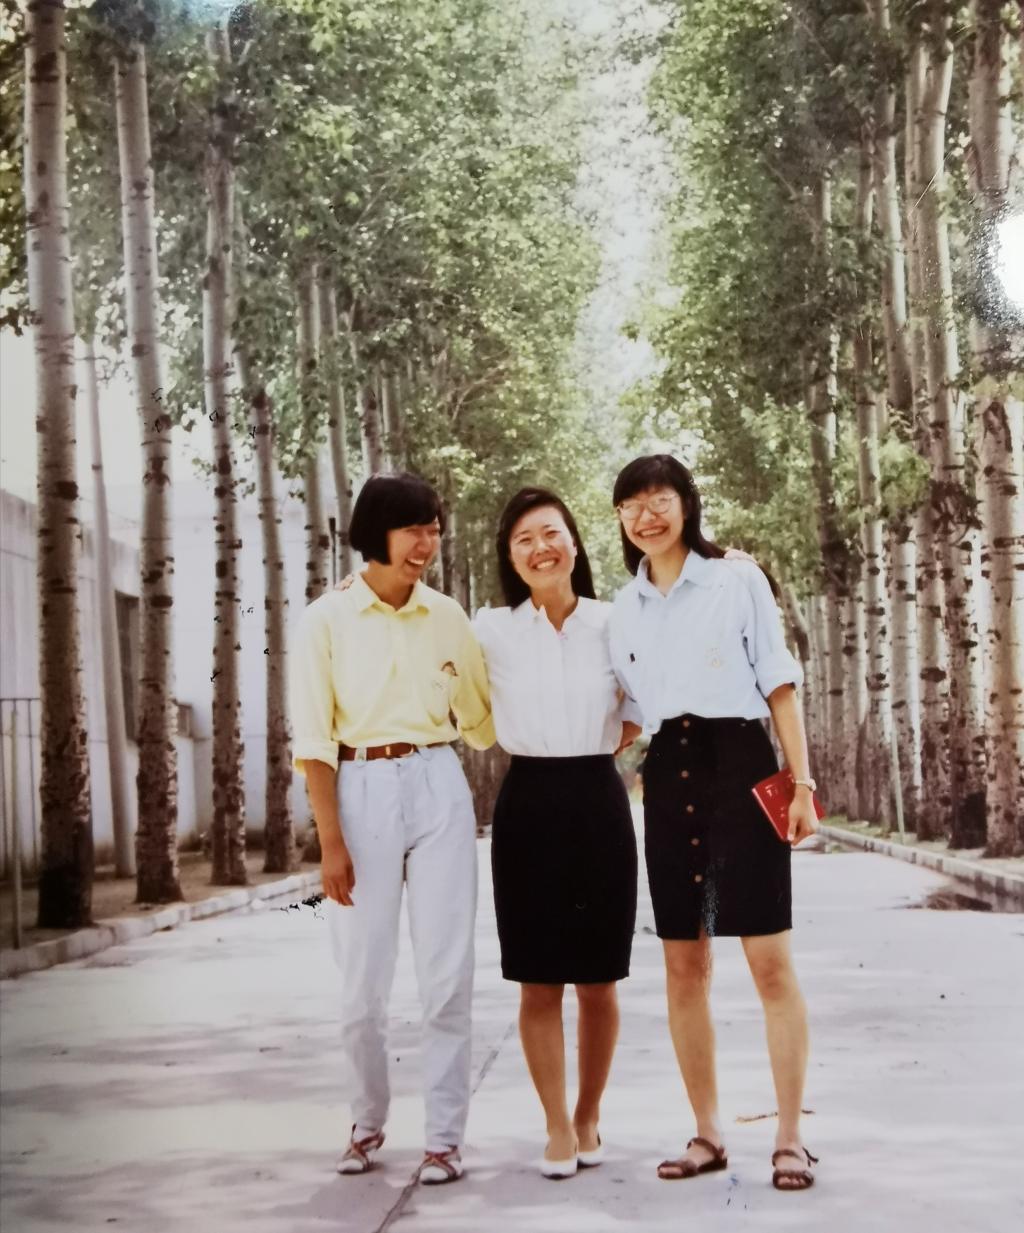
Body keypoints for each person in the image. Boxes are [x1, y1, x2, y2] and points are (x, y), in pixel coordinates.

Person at [607, 454, 820, 1192]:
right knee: (684, 966)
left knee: (769, 961)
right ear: (620, 519)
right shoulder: (623, 608)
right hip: (669, 774)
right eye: (632, 505)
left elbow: (779, 682)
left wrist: (801, 784)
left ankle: (790, 1137)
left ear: (686, 504)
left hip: (741, 764)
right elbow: (627, 710)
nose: (647, 515)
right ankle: (707, 1132)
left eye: (659, 499)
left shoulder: (737, 579)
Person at [288, 472, 495, 1186]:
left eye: (434, 529)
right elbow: (314, 742)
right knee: (361, 982)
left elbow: (481, 718)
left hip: (438, 781)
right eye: (414, 530)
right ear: (376, 533)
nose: (427, 543)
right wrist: (331, 842)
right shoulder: (326, 620)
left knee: (448, 973)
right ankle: (366, 1121)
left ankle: (444, 1139)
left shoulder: (448, 616)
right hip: (359, 787)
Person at [472, 487, 641, 1179]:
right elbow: (420, 628)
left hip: (599, 798)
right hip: (529, 804)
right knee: (538, 980)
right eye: (524, 540)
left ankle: (589, 1114)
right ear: (510, 558)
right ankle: (556, 1128)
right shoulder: (490, 629)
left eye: (551, 533)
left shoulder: (617, 620)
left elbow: (642, 702)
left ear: (574, 541)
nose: (541, 548)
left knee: (599, 979)